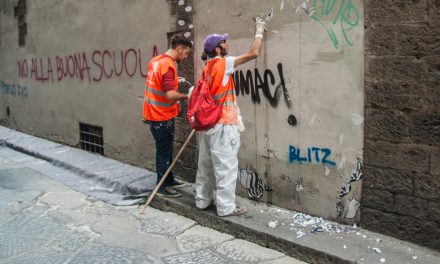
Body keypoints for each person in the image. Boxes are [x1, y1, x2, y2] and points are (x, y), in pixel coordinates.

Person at [195, 18, 268, 216]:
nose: (227, 44)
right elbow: (253, 53)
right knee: (226, 168)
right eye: (224, 42)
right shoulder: (223, 63)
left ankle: (202, 201)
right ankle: (226, 208)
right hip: (223, 124)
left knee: (206, 166)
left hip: (207, 125)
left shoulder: (207, 67)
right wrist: (259, 31)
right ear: (218, 49)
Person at [143, 35, 193, 197]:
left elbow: (159, 82)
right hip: (161, 116)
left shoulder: (156, 60)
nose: (185, 57)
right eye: (185, 53)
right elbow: (170, 94)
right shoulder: (168, 66)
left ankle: (169, 178)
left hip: (153, 113)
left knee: (166, 149)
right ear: (179, 49)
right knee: (163, 151)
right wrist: (188, 96)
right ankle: (163, 186)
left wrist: (174, 81)